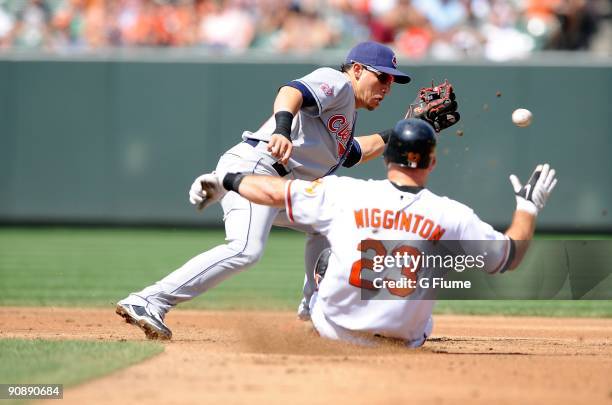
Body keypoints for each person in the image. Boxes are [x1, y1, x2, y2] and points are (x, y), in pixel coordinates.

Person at [116, 41, 459, 340]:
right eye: (381, 76)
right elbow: (291, 91)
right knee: (246, 249)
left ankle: (315, 314)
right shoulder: (336, 82)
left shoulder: (347, 112)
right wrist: (281, 128)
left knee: (334, 222)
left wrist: (407, 129)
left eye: (393, 81)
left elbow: (354, 153)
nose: (387, 86)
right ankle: (149, 300)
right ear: (356, 69)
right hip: (257, 169)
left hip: (284, 186)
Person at [189, 118, 558, 347]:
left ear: (386, 159)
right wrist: (527, 207)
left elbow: (271, 191)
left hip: (334, 331)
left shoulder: (344, 192)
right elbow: (511, 255)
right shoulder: (453, 214)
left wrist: (226, 179)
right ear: (432, 161)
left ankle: (313, 314)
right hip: (403, 341)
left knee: (327, 254)